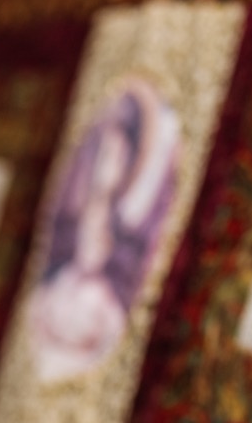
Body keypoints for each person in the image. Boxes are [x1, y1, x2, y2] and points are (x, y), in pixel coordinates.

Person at [27, 80, 178, 383]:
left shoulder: (111, 216)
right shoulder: (114, 225)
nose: (77, 308)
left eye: (67, 318)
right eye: (80, 323)